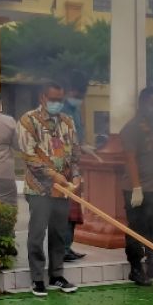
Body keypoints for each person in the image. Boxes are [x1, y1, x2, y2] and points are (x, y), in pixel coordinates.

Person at [17, 82, 81, 297]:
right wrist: (54, 175)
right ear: (42, 98)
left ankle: (56, 275)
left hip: (63, 190)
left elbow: (75, 154)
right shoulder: (28, 121)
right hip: (39, 189)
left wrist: (77, 175)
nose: (57, 104)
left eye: (60, 100)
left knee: (59, 233)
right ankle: (37, 278)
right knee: (37, 233)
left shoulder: (67, 121)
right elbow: (29, 156)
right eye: (53, 99)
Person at [120, 87, 153, 286]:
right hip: (138, 188)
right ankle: (135, 268)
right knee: (136, 229)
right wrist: (136, 188)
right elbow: (130, 158)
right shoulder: (132, 128)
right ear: (143, 104)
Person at [60, 70, 91, 262]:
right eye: (77, 96)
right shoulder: (61, 112)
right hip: (63, 168)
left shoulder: (75, 111)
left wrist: (84, 146)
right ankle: (62, 248)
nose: (79, 99)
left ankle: (67, 246)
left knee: (73, 211)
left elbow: (78, 137)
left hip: (74, 166)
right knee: (65, 210)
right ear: (69, 91)